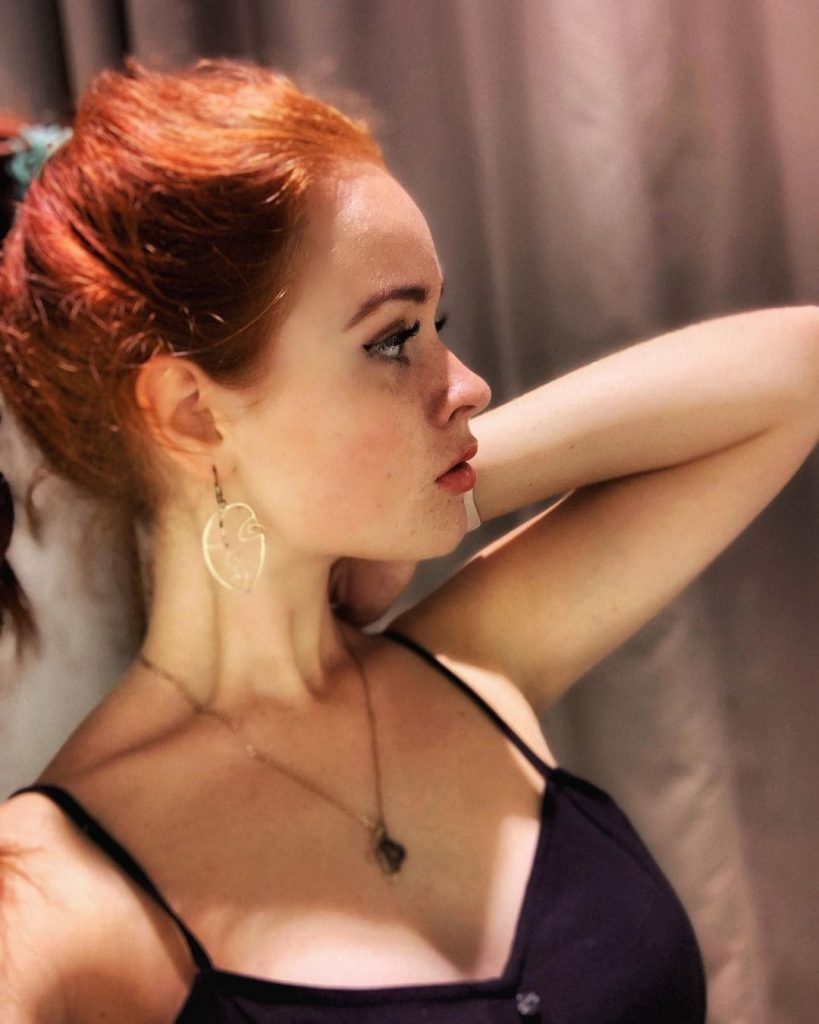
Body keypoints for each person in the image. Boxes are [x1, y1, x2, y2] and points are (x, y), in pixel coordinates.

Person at [0, 58, 817, 1024]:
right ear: (192, 411)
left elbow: (795, 369)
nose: (467, 383)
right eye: (393, 339)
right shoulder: (49, 896)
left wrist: (448, 494)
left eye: (441, 322)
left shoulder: (469, 663)